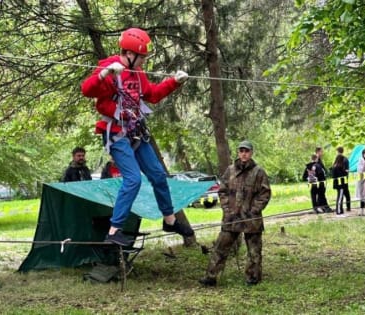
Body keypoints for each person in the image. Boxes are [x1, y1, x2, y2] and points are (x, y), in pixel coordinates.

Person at [81, 27, 193, 246]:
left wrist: (174, 82)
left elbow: (151, 95)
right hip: (115, 133)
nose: (143, 60)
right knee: (132, 180)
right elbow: (87, 90)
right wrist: (104, 74)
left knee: (158, 174)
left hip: (136, 131)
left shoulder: (138, 73)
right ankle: (114, 231)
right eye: (141, 56)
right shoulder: (109, 66)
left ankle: (169, 219)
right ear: (129, 54)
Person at [199, 140, 271, 287]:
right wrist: (227, 210)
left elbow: (265, 194)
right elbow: (222, 191)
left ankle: (253, 278)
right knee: (220, 248)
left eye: (247, 151)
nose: (244, 154)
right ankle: (211, 277)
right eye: (241, 151)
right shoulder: (230, 170)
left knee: (254, 251)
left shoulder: (259, 172)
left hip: (252, 219)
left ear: (251, 153)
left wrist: (254, 211)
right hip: (231, 218)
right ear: (238, 153)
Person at [313, 147, 333, 212]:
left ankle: (321, 207)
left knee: (321, 193)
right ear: (318, 152)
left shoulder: (319, 159)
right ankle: (326, 207)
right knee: (321, 194)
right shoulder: (315, 159)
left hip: (322, 179)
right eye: (321, 151)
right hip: (319, 180)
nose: (322, 153)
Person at [335, 147, 351, 211]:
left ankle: (343, 207)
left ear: (338, 151)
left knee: (342, 193)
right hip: (343, 178)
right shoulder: (345, 159)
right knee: (346, 193)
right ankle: (347, 206)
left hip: (342, 178)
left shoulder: (342, 159)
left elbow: (345, 170)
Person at [355, 149, 365, 216]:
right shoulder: (360, 160)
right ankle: (362, 210)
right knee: (362, 195)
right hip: (362, 180)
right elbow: (360, 170)